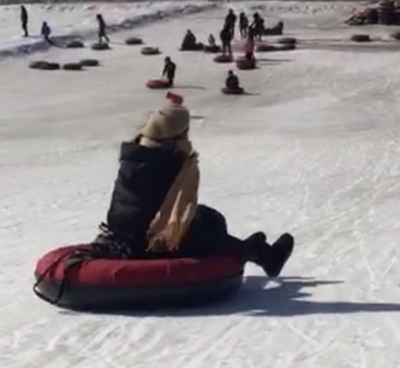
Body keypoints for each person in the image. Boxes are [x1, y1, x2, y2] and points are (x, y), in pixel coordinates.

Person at [87, 97, 294, 275]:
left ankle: (250, 248)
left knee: (209, 217)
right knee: (208, 233)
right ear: (175, 137)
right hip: (145, 240)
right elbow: (171, 215)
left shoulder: (138, 153)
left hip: (128, 230)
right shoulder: (163, 162)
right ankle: (261, 255)